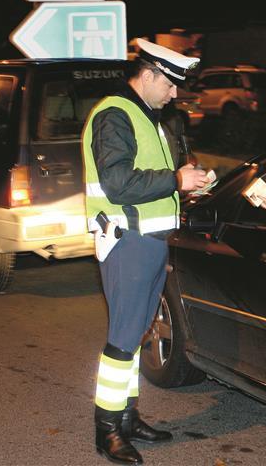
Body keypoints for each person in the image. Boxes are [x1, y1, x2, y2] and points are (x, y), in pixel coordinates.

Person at [82, 38, 211, 465]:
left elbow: (152, 176)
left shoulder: (144, 115)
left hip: (149, 240)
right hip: (128, 241)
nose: (174, 94)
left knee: (135, 334)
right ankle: (107, 431)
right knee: (121, 342)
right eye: (170, 85)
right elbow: (118, 183)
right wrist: (176, 180)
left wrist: (188, 181)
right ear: (149, 74)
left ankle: (128, 417)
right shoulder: (116, 114)